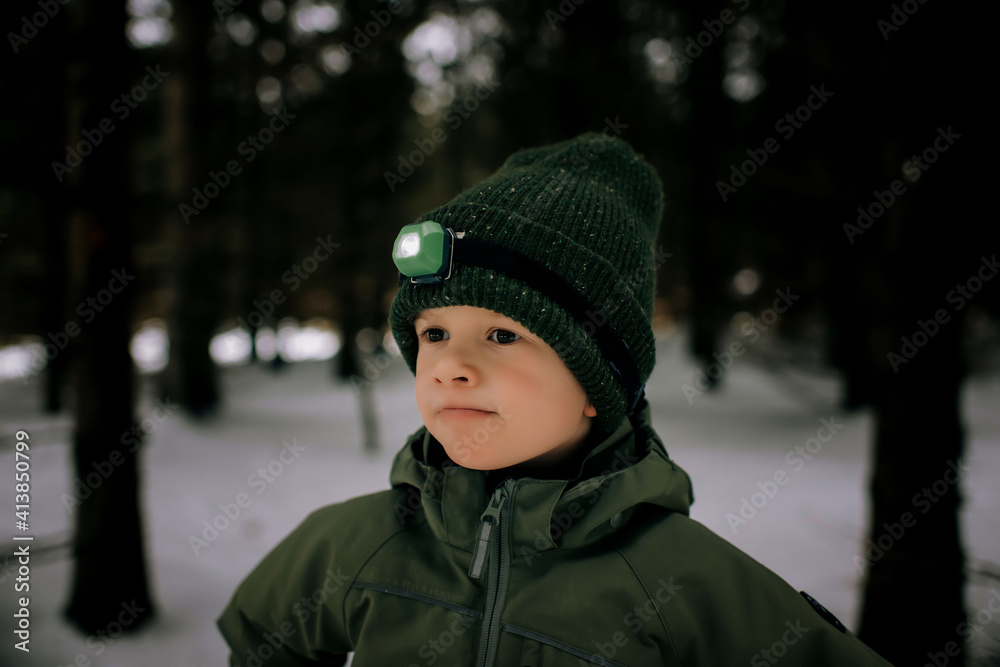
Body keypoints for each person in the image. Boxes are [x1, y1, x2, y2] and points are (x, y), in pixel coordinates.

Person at [217, 133, 892, 666]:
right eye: (435, 332)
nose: (451, 364)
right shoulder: (359, 542)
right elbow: (262, 636)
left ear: (599, 384)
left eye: (503, 333)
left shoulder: (681, 577)